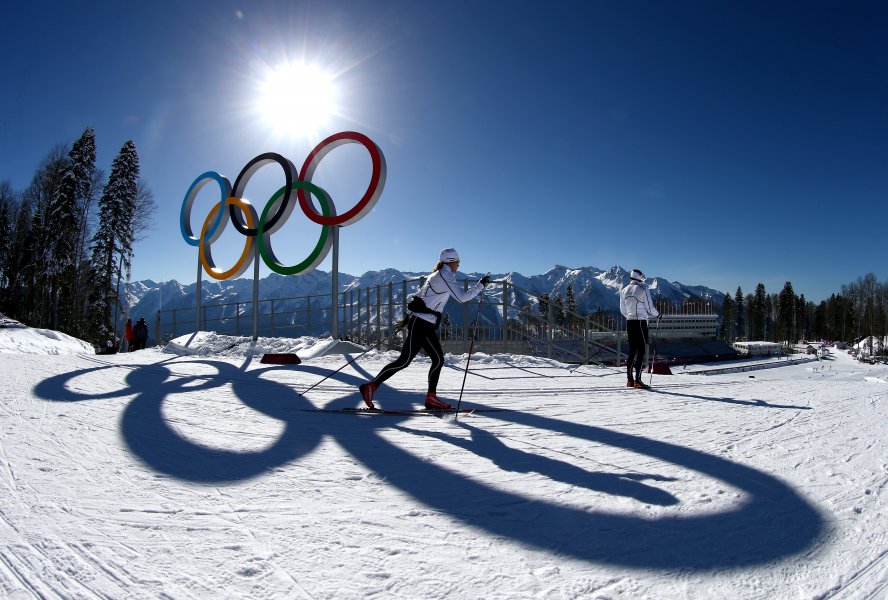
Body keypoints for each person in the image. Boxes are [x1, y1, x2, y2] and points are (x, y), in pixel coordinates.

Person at [358, 248, 490, 410]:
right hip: (422, 323)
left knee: (429, 360)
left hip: (421, 322)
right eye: (458, 262)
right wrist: (480, 286)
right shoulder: (445, 275)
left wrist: (408, 317)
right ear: (451, 261)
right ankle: (371, 387)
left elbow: (419, 297)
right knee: (408, 360)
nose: (458, 265)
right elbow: (461, 298)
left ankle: (430, 398)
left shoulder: (436, 274)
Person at [619, 269, 661, 389]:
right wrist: (658, 315)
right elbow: (649, 307)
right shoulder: (643, 289)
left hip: (629, 322)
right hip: (641, 323)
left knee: (632, 351)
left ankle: (629, 380)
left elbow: (622, 309)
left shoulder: (623, 290)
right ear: (640, 277)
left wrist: (629, 316)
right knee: (641, 351)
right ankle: (638, 380)